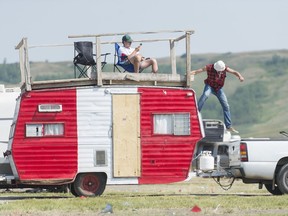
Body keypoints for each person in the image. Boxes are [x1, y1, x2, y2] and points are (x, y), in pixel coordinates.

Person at [190, 60, 244, 133]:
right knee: (205, 95)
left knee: (226, 106)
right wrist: (190, 73)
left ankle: (228, 126)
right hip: (210, 86)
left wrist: (240, 76)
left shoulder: (225, 68)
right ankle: (195, 114)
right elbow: (198, 71)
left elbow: (234, 72)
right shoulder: (209, 67)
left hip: (218, 88)